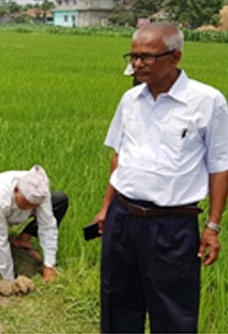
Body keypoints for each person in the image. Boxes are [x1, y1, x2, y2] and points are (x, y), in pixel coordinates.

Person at [94, 22, 228, 333]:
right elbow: (120, 156)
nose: (137, 64)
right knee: (117, 303)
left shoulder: (207, 101)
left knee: (173, 312)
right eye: (133, 56)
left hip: (172, 225)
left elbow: (220, 165)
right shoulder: (131, 101)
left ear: (176, 56)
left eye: (147, 57)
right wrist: (105, 208)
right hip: (123, 218)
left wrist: (213, 225)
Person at [0, 165, 68, 283]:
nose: (27, 209)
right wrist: (9, 279)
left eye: (32, 207)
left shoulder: (41, 192)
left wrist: (49, 265)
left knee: (60, 200)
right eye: (24, 205)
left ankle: (22, 240)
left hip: (9, 210)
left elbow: (48, 226)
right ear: (16, 190)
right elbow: (0, 240)